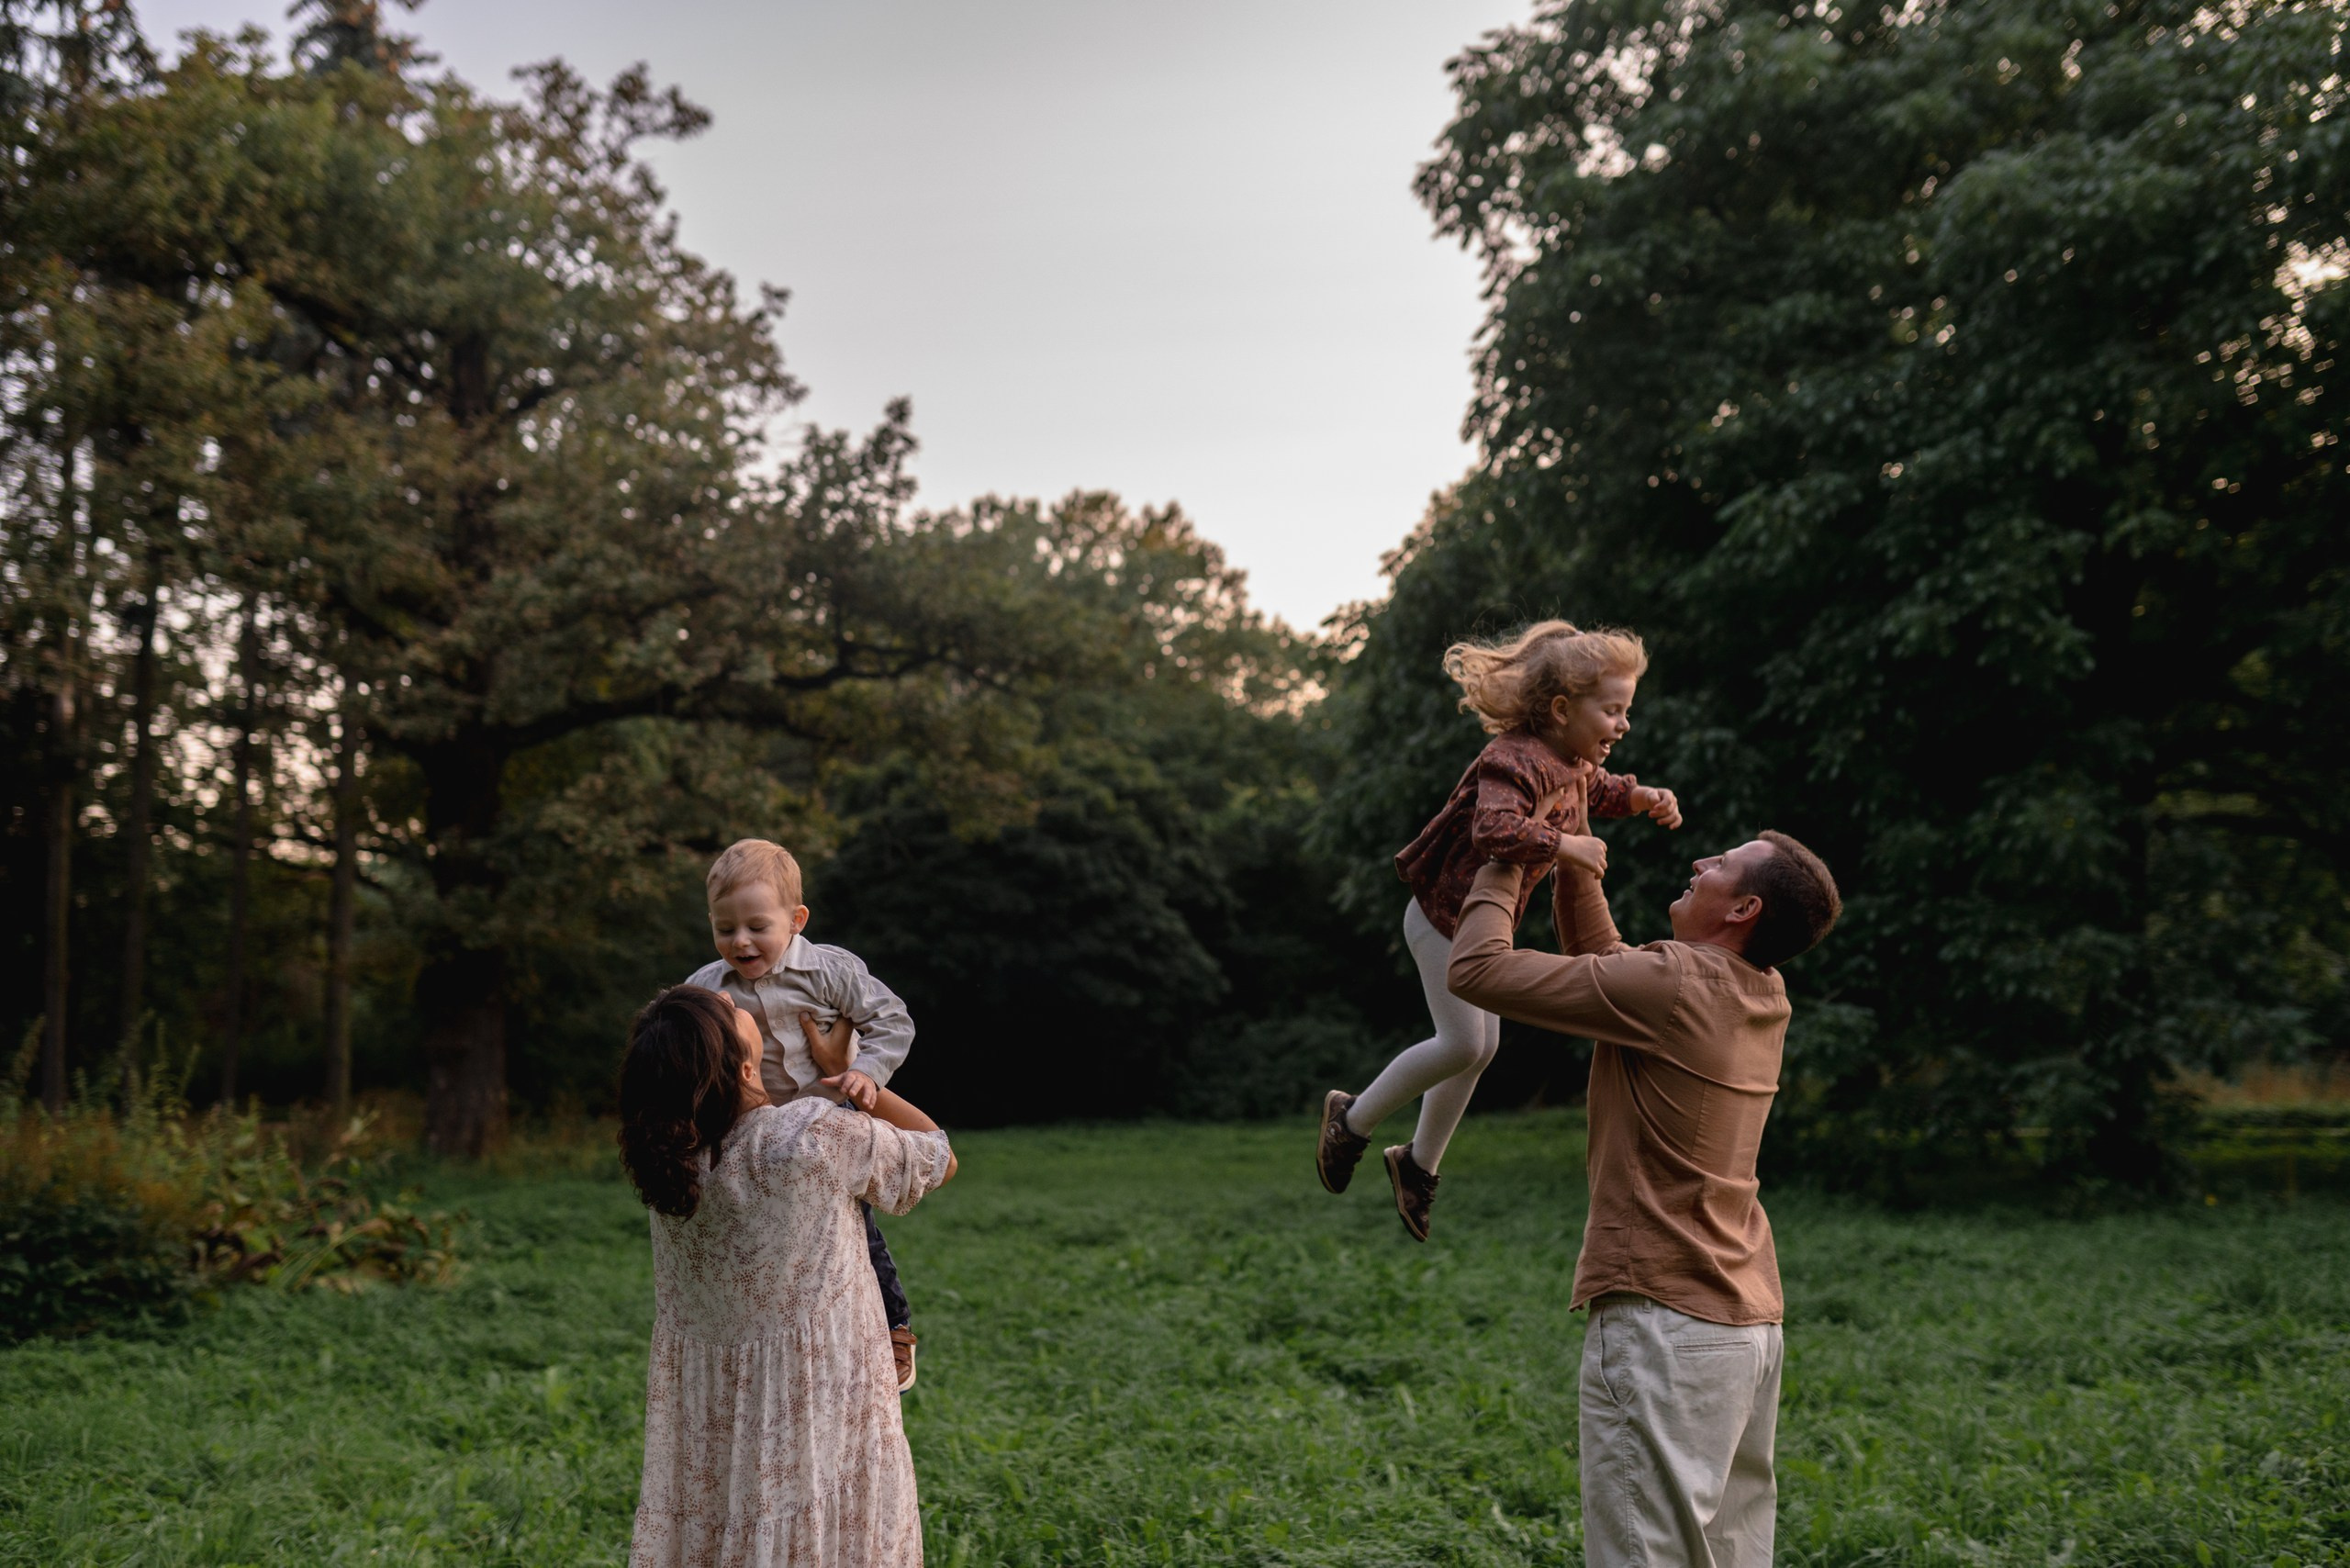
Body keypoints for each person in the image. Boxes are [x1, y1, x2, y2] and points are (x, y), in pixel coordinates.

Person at [1446, 829, 1841, 1568]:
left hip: (1666, 1326)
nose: (1700, 863)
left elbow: (1474, 969)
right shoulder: (1761, 991)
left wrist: (1510, 850)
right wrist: (1570, 861)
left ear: (1743, 907)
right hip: (1744, 1328)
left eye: (1719, 864)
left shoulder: (1674, 985)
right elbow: (1609, 968)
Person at [1315, 620, 1682, 1239]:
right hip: (1441, 918)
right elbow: (1494, 830)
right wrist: (1566, 845)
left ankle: (1416, 1164)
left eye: (1626, 712)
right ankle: (1350, 1119)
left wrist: (1644, 797)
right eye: (1613, 711)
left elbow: (1598, 789)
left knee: (1480, 1048)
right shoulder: (1510, 759)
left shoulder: (1570, 760)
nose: (1623, 725)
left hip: (1484, 927)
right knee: (1464, 1045)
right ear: (1563, 709)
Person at [621, 984, 957, 1568]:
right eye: (727, 1010)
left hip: (717, 1432)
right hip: (823, 1408)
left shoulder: (676, 1170)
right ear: (744, 1063)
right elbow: (938, 1155)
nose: (732, 996)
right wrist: (853, 1075)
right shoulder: (810, 1137)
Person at [682, 838, 928, 1389]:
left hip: (828, 1120)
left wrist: (865, 1071)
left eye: (757, 926)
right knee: (764, 1235)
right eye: (725, 929)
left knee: (857, 1228)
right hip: (753, 1133)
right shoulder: (707, 988)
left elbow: (892, 1021)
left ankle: (894, 1328)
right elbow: (678, 1039)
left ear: (796, 920)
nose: (740, 941)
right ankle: (769, 1339)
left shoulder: (827, 971)